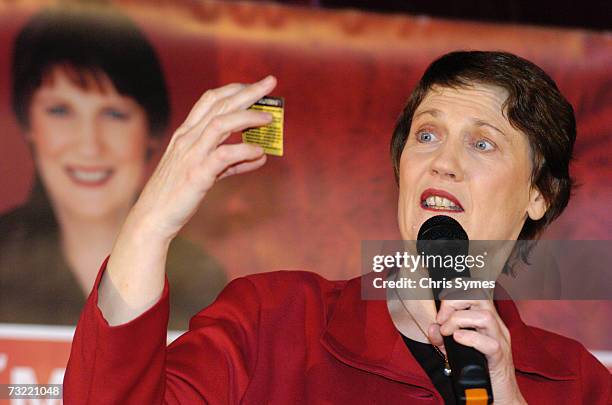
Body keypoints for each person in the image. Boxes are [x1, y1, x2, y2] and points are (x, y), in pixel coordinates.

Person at [64, 51, 611, 403]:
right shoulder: (274, 322)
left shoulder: (577, 382)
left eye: (482, 142)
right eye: (426, 135)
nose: (443, 161)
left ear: (539, 195)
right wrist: (152, 220)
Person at [0, 5, 226, 330]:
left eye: (114, 114)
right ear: (28, 124)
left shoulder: (201, 278)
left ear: (152, 130)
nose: (90, 145)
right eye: (61, 111)